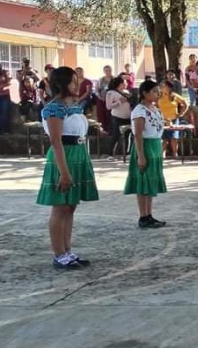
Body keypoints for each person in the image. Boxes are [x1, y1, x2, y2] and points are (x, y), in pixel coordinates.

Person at [36, 66, 99, 269]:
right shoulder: (54, 108)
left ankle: (67, 250)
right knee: (60, 207)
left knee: (70, 206)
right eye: (73, 81)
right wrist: (64, 172)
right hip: (64, 156)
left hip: (78, 154)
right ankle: (59, 254)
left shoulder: (74, 106)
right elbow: (56, 141)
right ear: (62, 83)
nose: (77, 84)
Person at [124, 80, 167, 229]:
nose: (158, 94)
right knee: (143, 182)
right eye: (154, 91)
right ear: (145, 93)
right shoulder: (140, 111)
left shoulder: (154, 109)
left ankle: (149, 214)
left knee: (150, 182)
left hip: (155, 145)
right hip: (145, 146)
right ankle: (143, 216)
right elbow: (138, 134)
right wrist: (141, 156)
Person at [158, 80, 188, 158]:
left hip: (173, 118)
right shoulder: (159, 96)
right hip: (162, 120)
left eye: (164, 86)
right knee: (163, 137)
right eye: (162, 86)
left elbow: (185, 104)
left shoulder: (174, 96)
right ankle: (162, 153)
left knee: (174, 137)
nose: (162, 87)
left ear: (169, 88)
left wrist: (181, 113)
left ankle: (175, 153)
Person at [105, 76, 131, 161]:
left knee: (127, 136)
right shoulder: (111, 93)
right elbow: (108, 106)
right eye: (124, 82)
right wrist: (119, 102)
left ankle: (127, 153)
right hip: (117, 117)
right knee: (115, 135)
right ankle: (110, 154)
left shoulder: (127, 92)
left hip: (128, 117)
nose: (126, 84)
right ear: (120, 84)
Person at [95, 65, 114, 130]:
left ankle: (110, 129)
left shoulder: (114, 79)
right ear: (104, 71)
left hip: (111, 100)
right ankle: (102, 129)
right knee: (101, 114)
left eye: (109, 70)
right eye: (106, 70)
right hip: (101, 99)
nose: (108, 72)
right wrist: (99, 96)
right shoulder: (101, 79)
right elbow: (96, 90)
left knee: (109, 115)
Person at [0, 61, 11, 134]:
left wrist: (1, 86)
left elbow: (9, 82)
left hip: (4, 95)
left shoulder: (5, 72)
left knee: (4, 112)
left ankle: (4, 129)